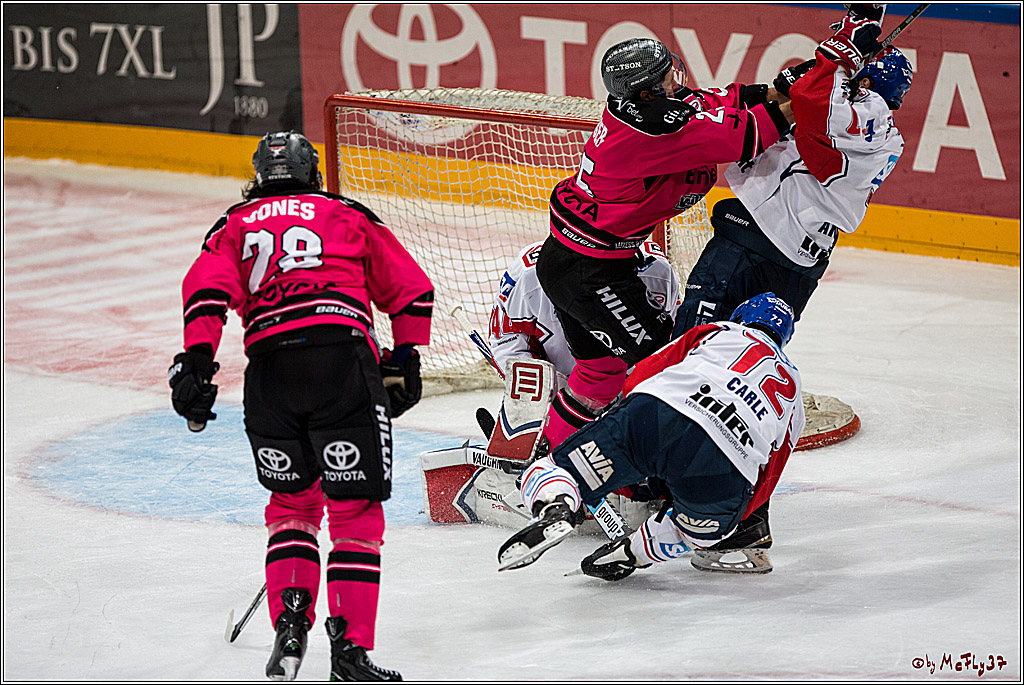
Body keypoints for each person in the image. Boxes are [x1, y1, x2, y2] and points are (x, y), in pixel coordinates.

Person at [168, 130, 432, 681]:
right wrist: (405, 358)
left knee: (292, 507)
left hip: (270, 375)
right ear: (313, 173)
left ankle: (290, 626)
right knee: (355, 513)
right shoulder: (347, 213)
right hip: (341, 365)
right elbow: (411, 290)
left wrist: (196, 362)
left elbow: (206, 292)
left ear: (258, 177)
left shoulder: (234, 223)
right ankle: (349, 652)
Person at [672, 6, 912, 569]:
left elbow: (810, 99)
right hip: (790, 256)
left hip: (759, 247)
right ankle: (739, 521)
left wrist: (844, 47)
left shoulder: (868, 114)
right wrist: (843, 49)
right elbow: (803, 90)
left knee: (689, 358)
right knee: (735, 381)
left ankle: (677, 495)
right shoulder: (873, 120)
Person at [534, 36, 796, 456]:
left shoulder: (646, 111)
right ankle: (642, 465)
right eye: (665, 78)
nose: (676, 81)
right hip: (589, 274)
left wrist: (783, 85)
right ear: (645, 93)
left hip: (577, 262)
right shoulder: (657, 134)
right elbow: (751, 133)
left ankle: (549, 459)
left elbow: (720, 101)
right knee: (661, 364)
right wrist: (818, 93)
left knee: (600, 374)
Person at [496, 293, 805, 580]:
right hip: (728, 462)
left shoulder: (718, 331)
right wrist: (730, 513)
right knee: (699, 533)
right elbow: (770, 474)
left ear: (740, 316)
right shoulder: (794, 386)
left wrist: (618, 434)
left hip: (661, 412)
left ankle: (556, 506)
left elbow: (644, 373)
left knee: (555, 469)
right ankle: (633, 553)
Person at [488, 239, 680, 384]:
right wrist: (546, 389)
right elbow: (507, 344)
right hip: (557, 387)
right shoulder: (528, 276)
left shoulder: (657, 273)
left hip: (626, 388)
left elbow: (671, 348)